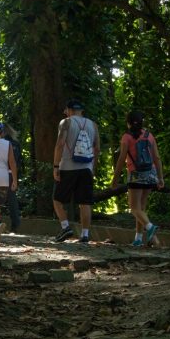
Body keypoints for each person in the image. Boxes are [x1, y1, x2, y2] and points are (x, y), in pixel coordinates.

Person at [111, 111, 164, 247]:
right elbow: (157, 158)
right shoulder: (149, 135)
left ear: (128, 122)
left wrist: (115, 179)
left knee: (134, 208)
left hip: (135, 174)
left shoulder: (126, 137)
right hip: (150, 173)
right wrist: (160, 177)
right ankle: (138, 238)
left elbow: (121, 159)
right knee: (141, 208)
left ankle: (150, 227)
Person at [52, 99, 100, 243]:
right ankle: (85, 235)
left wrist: (56, 166)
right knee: (85, 203)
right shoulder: (93, 125)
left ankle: (66, 227)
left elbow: (60, 144)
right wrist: (93, 167)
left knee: (57, 199)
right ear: (81, 110)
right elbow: (97, 148)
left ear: (69, 110)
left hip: (67, 167)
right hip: (86, 167)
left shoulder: (66, 122)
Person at [3, 123, 22, 232]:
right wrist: (15, 178)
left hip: (1, 172)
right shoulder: (15, 143)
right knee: (12, 199)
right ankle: (15, 223)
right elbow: (17, 162)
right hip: (12, 173)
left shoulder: (2, 143)